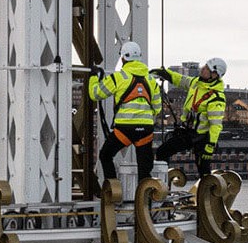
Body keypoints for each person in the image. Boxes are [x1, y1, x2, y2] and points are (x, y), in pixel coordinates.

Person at [88, 41, 162, 182]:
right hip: (146, 129)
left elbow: (95, 94)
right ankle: (145, 199)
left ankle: (113, 191)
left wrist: (93, 77)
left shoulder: (118, 77)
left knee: (106, 155)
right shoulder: (151, 80)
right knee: (144, 169)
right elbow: (157, 108)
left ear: (123, 58)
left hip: (125, 129)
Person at [150, 58, 227, 178]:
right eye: (204, 66)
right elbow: (181, 80)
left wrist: (210, 145)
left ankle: (207, 191)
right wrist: (166, 74)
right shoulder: (196, 83)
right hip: (188, 132)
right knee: (162, 152)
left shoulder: (216, 97)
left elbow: (216, 125)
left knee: (203, 168)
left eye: (207, 68)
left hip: (202, 137)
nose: (203, 69)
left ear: (215, 74)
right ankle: (162, 185)